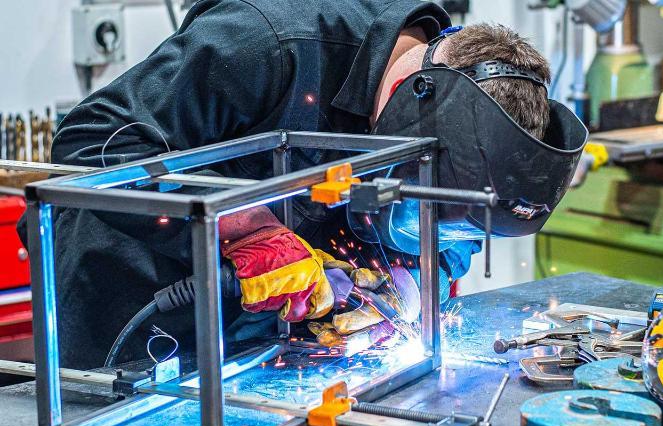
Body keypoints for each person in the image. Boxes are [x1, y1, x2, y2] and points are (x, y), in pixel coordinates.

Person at [28, 0, 553, 369]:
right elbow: (93, 142)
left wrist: (411, 283)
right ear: (405, 102)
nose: (439, 228)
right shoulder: (269, 42)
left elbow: (455, 231)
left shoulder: (460, 137)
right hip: (132, 309)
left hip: (257, 338)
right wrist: (242, 227)